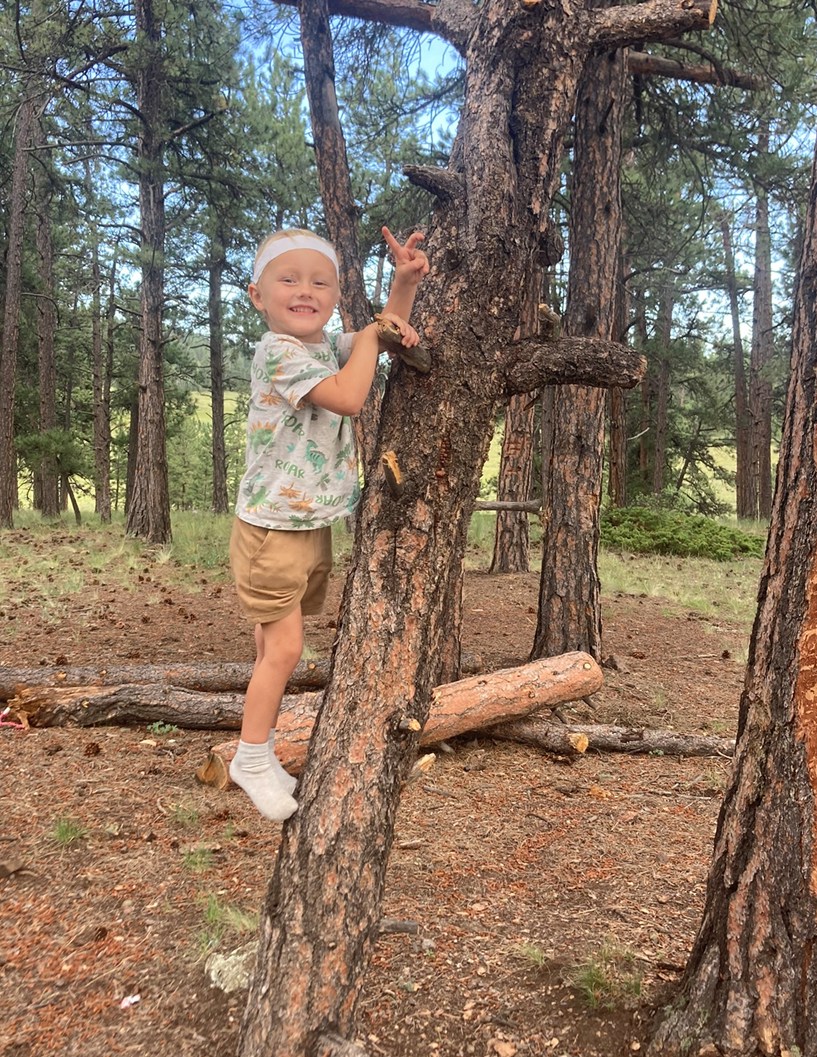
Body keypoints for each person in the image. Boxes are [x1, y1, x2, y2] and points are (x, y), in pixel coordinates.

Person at [229, 225, 429, 820]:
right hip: (272, 528)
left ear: (336, 296)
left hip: (303, 522)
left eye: (320, 282)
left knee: (272, 643)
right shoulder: (279, 351)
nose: (305, 290)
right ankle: (251, 757)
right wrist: (369, 335)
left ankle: (259, 746)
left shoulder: (321, 345)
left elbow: (382, 339)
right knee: (285, 650)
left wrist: (402, 289)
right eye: (287, 279)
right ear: (257, 295)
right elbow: (347, 396)